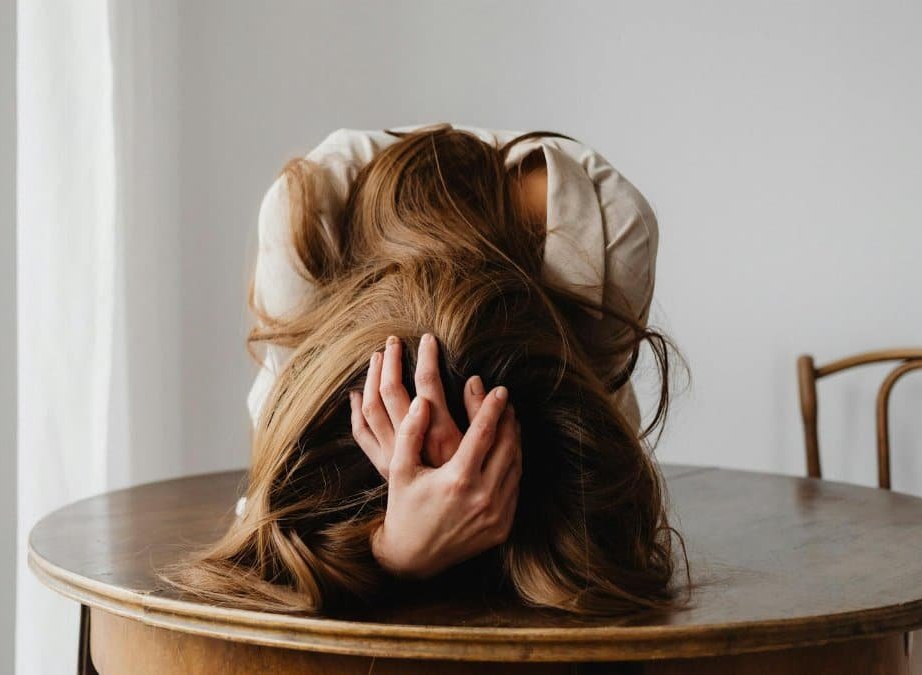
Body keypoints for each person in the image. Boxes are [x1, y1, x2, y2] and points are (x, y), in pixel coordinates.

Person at [162, 123, 680, 615]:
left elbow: (613, 540)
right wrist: (391, 550)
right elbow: (265, 521)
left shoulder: (603, 238)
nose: (451, 478)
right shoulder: (304, 221)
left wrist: (499, 492)